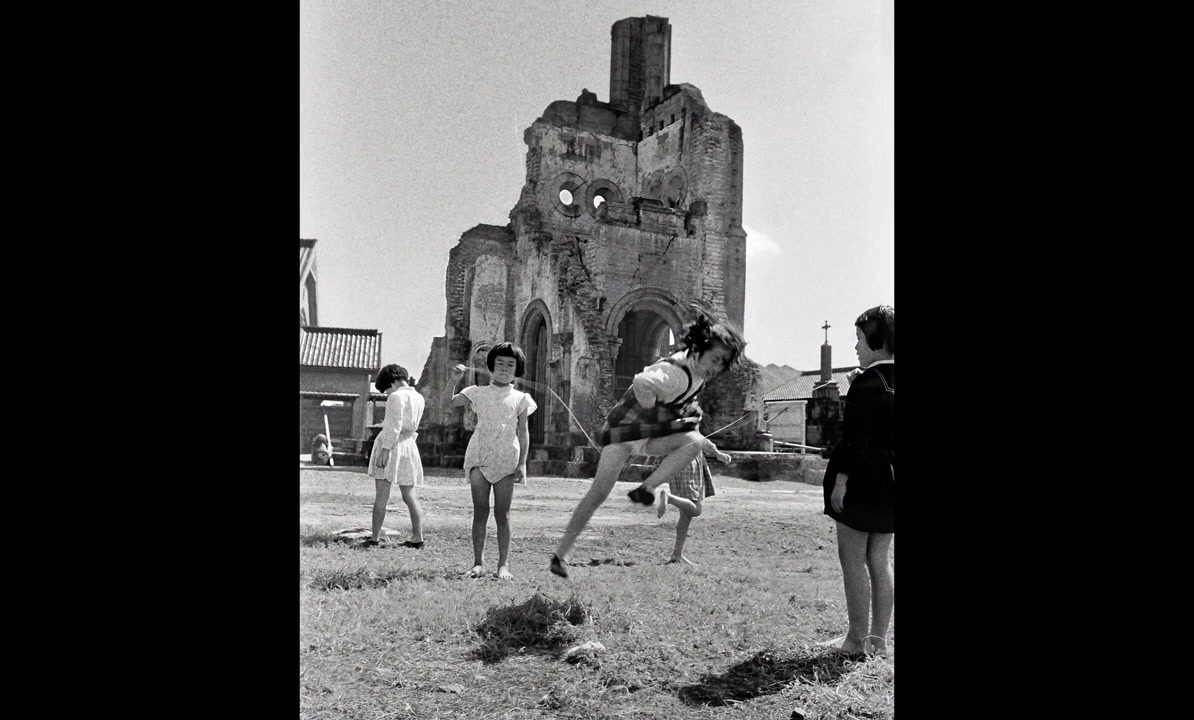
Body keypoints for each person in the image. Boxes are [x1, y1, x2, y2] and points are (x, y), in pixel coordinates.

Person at [550, 305, 747, 578]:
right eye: (715, 359)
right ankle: (560, 555)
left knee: (692, 443)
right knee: (598, 493)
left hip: (647, 436)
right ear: (698, 349)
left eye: (723, 363)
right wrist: (655, 415)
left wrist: (685, 427)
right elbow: (642, 382)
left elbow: (685, 410)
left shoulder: (697, 375)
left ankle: (647, 488)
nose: (717, 368)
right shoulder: (675, 372)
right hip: (624, 432)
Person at [822, 305, 895, 657]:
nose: (855, 346)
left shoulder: (866, 384)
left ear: (877, 340)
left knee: (852, 559)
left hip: (862, 482)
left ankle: (854, 639)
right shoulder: (879, 380)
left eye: (860, 339)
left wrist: (840, 482)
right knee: (880, 560)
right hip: (891, 484)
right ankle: (878, 641)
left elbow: (855, 439)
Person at [448, 342, 537, 580]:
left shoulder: (521, 398)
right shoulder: (477, 392)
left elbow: (523, 432)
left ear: (517, 369)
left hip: (506, 459)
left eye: (510, 365)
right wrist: (454, 380)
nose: (504, 369)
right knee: (480, 511)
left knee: (503, 513)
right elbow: (449, 402)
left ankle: (503, 565)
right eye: (499, 363)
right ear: (491, 366)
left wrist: (522, 463)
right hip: (480, 456)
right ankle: (478, 563)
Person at [364, 364, 427, 549]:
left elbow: (394, 426)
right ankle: (418, 537)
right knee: (409, 495)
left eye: (386, 389)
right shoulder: (419, 397)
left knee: (381, 495)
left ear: (391, 382)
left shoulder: (396, 396)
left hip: (391, 445)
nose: (387, 393)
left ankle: (374, 538)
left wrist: (385, 450)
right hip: (409, 445)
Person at [656, 424, 733, 566]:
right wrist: (716, 453)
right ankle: (669, 497)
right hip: (688, 463)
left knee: (685, 515)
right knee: (696, 510)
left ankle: (677, 554)